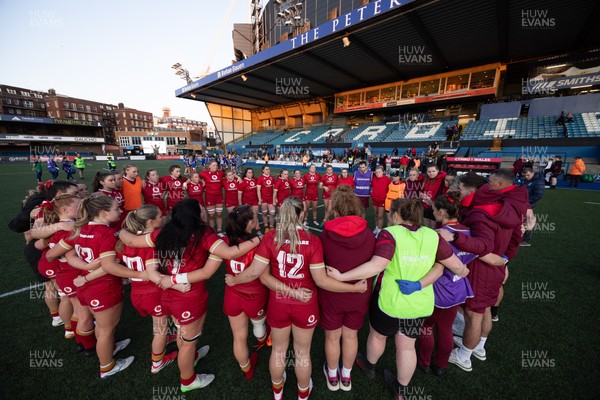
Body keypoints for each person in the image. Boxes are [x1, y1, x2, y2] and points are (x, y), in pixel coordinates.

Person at [225, 197, 366, 400]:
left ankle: (277, 392)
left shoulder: (269, 237)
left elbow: (258, 274)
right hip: (304, 305)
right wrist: (353, 289)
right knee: (302, 353)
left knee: (279, 351)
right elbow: (322, 281)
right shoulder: (313, 241)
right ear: (301, 214)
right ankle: (302, 392)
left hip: (279, 303)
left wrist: (234, 280)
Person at [326, 198, 466, 399]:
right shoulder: (432, 236)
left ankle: (369, 366)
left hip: (389, 302)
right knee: (407, 346)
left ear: (397, 215)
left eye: (391, 213)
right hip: (418, 304)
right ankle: (401, 390)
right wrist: (462, 270)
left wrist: (342, 276)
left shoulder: (389, 233)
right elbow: (456, 266)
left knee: (377, 335)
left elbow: (376, 265)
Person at [119, 199, 261, 392]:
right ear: (196, 215)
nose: (204, 210)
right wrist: (258, 239)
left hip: (168, 294)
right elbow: (228, 254)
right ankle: (188, 381)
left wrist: (120, 230)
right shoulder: (203, 235)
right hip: (188, 295)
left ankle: (190, 358)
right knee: (187, 342)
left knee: (182, 334)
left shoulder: (163, 232)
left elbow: (130, 240)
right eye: (201, 208)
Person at [46, 194, 143, 378]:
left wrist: (86, 270)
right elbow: (109, 266)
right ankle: (107, 366)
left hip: (86, 286)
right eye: (116, 209)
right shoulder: (106, 233)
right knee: (106, 329)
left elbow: (62, 254)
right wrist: (139, 274)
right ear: (104, 213)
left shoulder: (80, 228)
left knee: (102, 325)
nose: (120, 211)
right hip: (102, 287)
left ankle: (109, 349)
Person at [440, 171, 525, 372]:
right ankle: (479, 346)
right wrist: (504, 260)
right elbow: (516, 238)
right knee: (484, 310)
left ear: (473, 189)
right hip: (494, 266)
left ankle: (464, 356)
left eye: (461, 187)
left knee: (474, 315)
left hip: (481, 269)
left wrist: (455, 238)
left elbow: (483, 245)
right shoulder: (505, 207)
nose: (458, 191)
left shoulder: (480, 212)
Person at [113, 205, 188, 374]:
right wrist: (177, 285)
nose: (164, 218)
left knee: (162, 326)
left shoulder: (124, 242)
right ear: (151, 222)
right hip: (153, 292)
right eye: (160, 216)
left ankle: (168, 346)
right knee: (161, 330)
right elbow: (152, 273)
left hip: (137, 292)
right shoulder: (149, 244)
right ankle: (157, 363)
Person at [319, 186, 374, 392]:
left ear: (336, 208)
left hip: (332, 295)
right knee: (351, 336)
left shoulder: (325, 236)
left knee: (332, 337)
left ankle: (333, 376)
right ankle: (346, 376)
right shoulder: (369, 235)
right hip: (359, 293)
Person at [417, 192, 475, 377]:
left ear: (442, 212)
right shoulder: (467, 233)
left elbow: (429, 263)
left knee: (426, 327)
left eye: (433, 210)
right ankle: (441, 365)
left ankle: (424, 362)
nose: (432, 213)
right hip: (458, 289)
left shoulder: (438, 237)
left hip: (438, 291)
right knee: (445, 329)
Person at [211, 205, 268, 380]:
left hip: (232, 295)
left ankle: (247, 370)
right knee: (258, 325)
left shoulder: (224, 243)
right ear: (251, 223)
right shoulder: (260, 243)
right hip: (254, 294)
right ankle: (261, 342)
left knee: (239, 337)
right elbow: (259, 273)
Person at [521, 168, 545, 246]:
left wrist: (527, 201)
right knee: (523, 220)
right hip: (524, 204)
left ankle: (526, 240)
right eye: (525, 176)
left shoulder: (539, 181)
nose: (526, 177)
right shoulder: (526, 180)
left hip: (529, 204)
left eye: (528, 175)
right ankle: (523, 238)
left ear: (532, 173)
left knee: (528, 221)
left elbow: (538, 195)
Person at [238, 168, 260, 232]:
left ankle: (257, 229)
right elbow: (239, 195)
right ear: (245, 173)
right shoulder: (242, 182)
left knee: (255, 215)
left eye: (251, 172)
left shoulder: (255, 180)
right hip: (246, 202)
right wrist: (240, 205)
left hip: (255, 201)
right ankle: (248, 230)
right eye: (249, 172)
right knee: (248, 217)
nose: (251, 174)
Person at [371, 166, 391, 236]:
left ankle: (379, 230)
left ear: (382, 172)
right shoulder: (373, 179)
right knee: (375, 215)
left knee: (380, 216)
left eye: (379, 172)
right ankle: (376, 228)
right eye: (376, 172)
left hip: (382, 200)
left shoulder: (387, 180)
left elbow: (391, 188)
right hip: (374, 200)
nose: (377, 173)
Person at [257, 165, 276, 231]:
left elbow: (274, 189)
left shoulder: (272, 178)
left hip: (270, 198)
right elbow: (258, 190)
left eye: (268, 169)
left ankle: (271, 226)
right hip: (263, 199)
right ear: (263, 170)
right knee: (264, 213)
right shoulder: (260, 178)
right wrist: (259, 199)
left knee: (272, 213)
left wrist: (275, 198)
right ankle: (266, 227)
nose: (268, 170)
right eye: (266, 169)